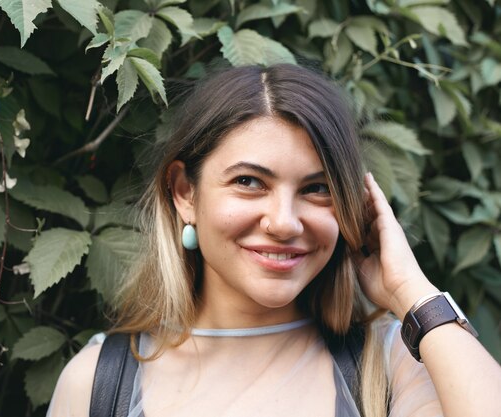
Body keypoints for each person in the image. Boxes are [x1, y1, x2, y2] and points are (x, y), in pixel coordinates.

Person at [46, 64, 501, 417]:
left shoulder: (390, 365)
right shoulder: (97, 383)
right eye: (249, 181)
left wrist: (411, 292)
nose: (284, 223)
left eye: (317, 188)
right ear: (185, 192)